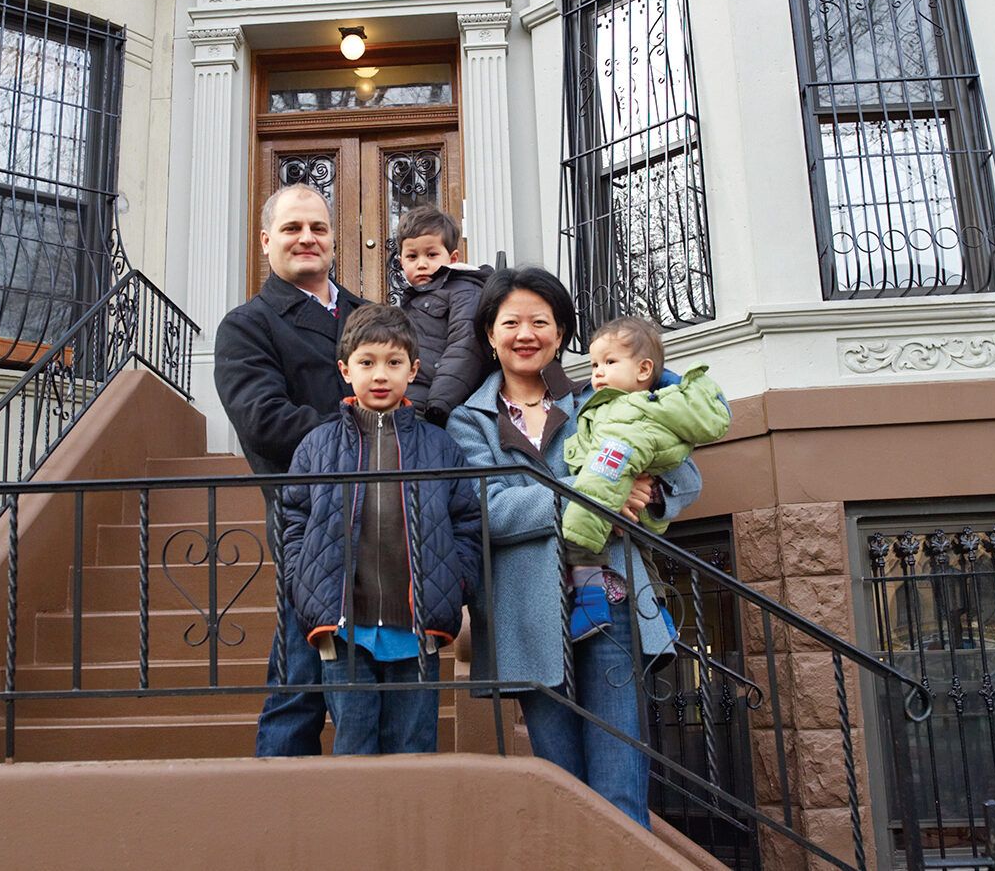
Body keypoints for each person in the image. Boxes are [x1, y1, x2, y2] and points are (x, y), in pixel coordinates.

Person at [446, 267, 703, 828]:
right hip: (525, 614)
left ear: (561, 333)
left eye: (541, 321)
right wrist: (583, 504)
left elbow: (683, 474)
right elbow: (483, 507)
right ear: (490, 335)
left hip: (607, 600)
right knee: (561, 784)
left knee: (619, 772)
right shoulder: (468, 420)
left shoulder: (603, 395)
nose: (526, 333)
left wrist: (647, 489)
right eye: (510, 322)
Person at [280, 303, 482, 754]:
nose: (380, 375)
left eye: (393, 363)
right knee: (353, 745)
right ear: (345, 369)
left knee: (413, 746)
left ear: (413, 369)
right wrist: (301, 582)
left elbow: (466, 520)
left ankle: (408, 827)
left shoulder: (438, 445)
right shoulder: (317, 446)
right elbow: (293, 518)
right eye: (366, 363)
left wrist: (457, 582)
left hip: (417, 627)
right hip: (345, 627)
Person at [214, 183, 366, 758]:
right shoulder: (247, 326)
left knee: (369, 678)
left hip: (388, 518)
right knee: (303, 679)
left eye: (319, 228)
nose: (307, 239)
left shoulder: (368, 316)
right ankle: (281, 798)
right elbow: (264, 420)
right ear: (265, 242)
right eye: (292, 229)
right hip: (309, 522)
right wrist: (365, 435)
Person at [562, 316, 731, 641]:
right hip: (633, 513)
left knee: (580, 544)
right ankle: (662, 619)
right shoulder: (655, 408)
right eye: (595, 363)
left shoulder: (630, 410)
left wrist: (603, 497)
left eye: (610, 362)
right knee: (645, 556)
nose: (598, 371)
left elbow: (616, 458)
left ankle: (590, 603)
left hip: (606, 494)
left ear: (643, 370)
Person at [396, 205, 493, 426]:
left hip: (438, 404)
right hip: (408, 398)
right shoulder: (410, 302)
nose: (421, 264)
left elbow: (465, 346)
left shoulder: (464, 290)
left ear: (452, 257)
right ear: (401, 262)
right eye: (412, 256)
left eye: (431, 254)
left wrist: (439, 402)